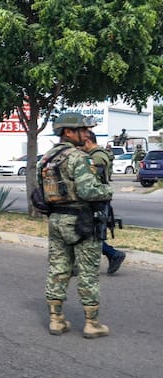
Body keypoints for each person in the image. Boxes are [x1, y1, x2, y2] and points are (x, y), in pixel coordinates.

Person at [36, 113, 113, 338]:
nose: (87, 134)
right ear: (68, 132)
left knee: (58, 268)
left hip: (56, 220)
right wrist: (109, 191)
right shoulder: (78, 157)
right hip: (81, 221)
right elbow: (88, 191)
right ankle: (91, 323)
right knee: (88, 272)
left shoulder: (47, 158)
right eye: (83, 130)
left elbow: (40, 193)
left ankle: (56, 320)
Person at [82, 130, 125, 274]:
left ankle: (113, 254)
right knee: (86, 233)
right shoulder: (94, 155)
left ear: (88, 141)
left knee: (89, 233)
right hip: (95, 199)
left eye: (81, 143)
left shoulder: (97, 156)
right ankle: (112, 254)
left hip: (97, 200)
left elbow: (93, 177)